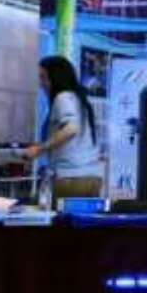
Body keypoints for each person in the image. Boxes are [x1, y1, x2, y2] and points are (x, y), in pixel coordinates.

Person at [25, 55, 103, 201]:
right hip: (92, 177)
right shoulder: (80, 99)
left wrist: (40, 149)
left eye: (43, 77)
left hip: (71, 178)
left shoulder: (63, 98)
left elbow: (71, 128)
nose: (41, 84)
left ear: (56, 77)